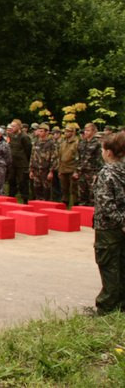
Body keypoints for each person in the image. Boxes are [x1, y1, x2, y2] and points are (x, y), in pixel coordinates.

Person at [91, 132, 125, 314]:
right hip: (121, 226)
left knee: (108, 266)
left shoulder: (108, 172)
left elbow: (106, 203)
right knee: (121, 265)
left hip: (108, 227)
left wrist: (120, 222)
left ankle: (107, 308)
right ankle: (121, 304)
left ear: (110, 152)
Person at [76, 123, 103, 206]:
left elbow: (100, 160)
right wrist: (76, 170)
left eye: (88, 130)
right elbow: (78, 157)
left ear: (94, 131)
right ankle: (82, 211)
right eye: (85, 130)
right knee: (82, 193)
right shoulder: (82, 142)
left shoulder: (98, 143)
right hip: (82, 172)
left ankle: (91, 213)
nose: (85, 132)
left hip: (92, 172)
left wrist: (97, 173)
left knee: (92, 195)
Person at [29, 123, 57, 201]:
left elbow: (54, 158)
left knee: (46, 190)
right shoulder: (36, 142)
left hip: (46, 170)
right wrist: (31, 170)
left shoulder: (51, 143)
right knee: (37, 189)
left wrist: (51, 171)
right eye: (39, 131)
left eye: (41, 131)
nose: (39, 133)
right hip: (36, 169)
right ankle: (38, 204)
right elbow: (32, 156)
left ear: (47, 132)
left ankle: (46, 205)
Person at [8, 120, 32, 203]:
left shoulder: (24, 137)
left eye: (14, 126)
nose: (12, 128)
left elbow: (28, 150)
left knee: (23, 182)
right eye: (11, 126)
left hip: (22, 164)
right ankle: (11, 198)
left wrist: (26, 162)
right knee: (11, 180)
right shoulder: (11, 136)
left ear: (19, 127)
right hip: (12, 163)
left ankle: (25, 200)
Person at [58, 124, 80, 207]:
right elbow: (59, 156)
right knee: (64, 189)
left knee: (74, 189)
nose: (65, 133)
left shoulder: (77, 143)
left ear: (73, 132)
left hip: (72, 169)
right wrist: (59, 169)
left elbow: (78, 158)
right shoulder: (63, 142)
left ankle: (76, 205)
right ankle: (65, 203)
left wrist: (76, 171)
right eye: (65, 131)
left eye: (68, 131)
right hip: (63, 168)